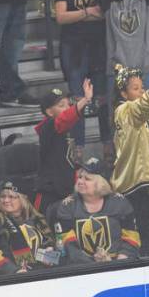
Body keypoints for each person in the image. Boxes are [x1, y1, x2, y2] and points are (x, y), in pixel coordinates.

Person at [54, 0, 112, 162]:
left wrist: (75, 14)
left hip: (99, 45)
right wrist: (88, 12)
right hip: (73, 47)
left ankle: (108, 144)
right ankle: (78, 148)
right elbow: (60, 17)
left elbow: (105, 14)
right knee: (78, 99)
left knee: (102, 98)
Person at [110, 65, 149, 254]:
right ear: (123, 94)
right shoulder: (125, 110)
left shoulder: (132, 114)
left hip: (137, 181)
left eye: (142, 87)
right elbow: (141, 106)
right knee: (137, 234)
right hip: (135, 181)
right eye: (135, 88)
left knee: (143, 233)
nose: (141, 92)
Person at [55, 157, 141, 262]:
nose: (80, 181)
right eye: (80, 177)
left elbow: (132, 239)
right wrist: (92, 266)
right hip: (81, 269)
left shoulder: (120, 203)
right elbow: (68, 244)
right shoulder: (67, 206)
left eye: (87, 179)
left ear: (101, 184)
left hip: (118, 265)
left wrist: (119, 262)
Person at [33, 80, 93, 213]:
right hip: (50, 193)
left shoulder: (66, 129)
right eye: (61, 105)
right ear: (49, 112)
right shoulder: (48, 126)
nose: (67, 108)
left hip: (66, 189)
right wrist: (85, 100)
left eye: (68, 104)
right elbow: (65, 118)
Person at [0, 180, 58, 273]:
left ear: (23, 199)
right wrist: (15, 271)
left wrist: (50, 255)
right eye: (3, 196)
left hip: (42, 274)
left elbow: (45, 250)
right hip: (12, 278)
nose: (6, 200)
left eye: (11, 197)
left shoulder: (37, 219)